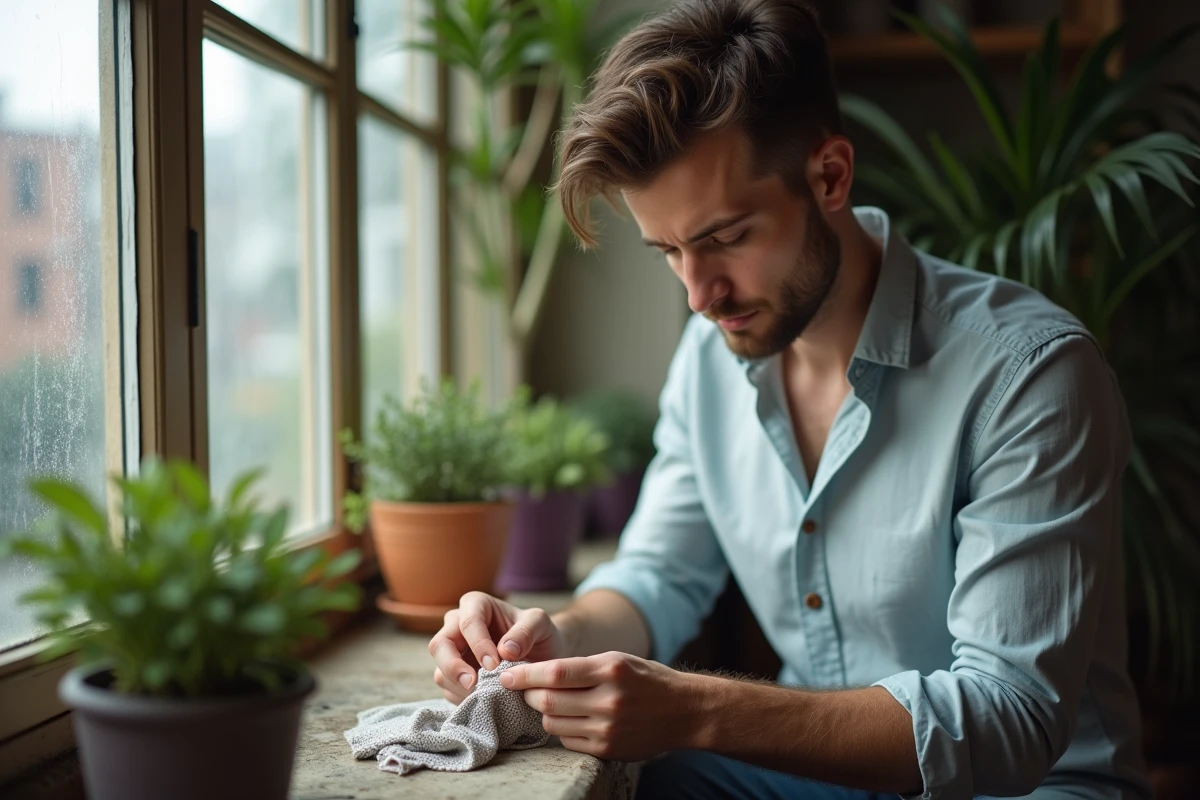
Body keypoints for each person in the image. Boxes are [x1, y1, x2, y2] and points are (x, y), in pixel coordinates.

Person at [427, 1, 1150, 797]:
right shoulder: (711, 354)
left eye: (727, 237)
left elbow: (1009, 719)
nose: (699, 294)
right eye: (668, 251)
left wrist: (697, 709)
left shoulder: (1030, 375)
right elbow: (658, 575)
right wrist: (551, 639)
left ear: (829, 175)